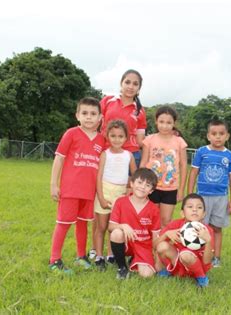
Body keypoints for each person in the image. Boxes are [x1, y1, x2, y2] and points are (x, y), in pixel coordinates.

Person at [89, 69, 147, 260]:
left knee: (121, 206)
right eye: (127, 82)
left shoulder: (140, 111)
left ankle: (115, 250)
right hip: (105, 154)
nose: (131, 86)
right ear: (121, 83)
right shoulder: (107, 101)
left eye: (135, 84)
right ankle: (95, 250)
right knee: (99, 205)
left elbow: (140, 139)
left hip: (129, 156)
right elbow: (96, 126)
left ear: (139, 88)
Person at [49, 97, 105, 273]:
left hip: (89, 191)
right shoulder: (71, 133)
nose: (89, 117)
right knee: (64, 223)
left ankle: (81, 256)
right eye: (85, 113)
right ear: (77, 115)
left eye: (93, 114)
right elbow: (59, 158)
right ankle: (54, 260)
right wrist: (53, 184)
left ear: (100, 117)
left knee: (83, 223)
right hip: (70, 189)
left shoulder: (102, 140)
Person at [187, 120, 231, 268]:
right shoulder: (202, 152)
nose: (218, 137)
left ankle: (216, 257)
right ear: (208, 136)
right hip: (201, 196)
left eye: (221, 134)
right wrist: (190, 195)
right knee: (199, 226)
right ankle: (198, 254)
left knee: (216, 228)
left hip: (221, 198)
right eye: (214, 134)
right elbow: (194, 172)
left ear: (227, 136)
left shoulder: (230, 156)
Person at [93, 120, 137, 271]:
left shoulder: (128, 155)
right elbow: (98, 177)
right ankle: (99, 256)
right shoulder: (105, 154)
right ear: (107, 136)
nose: (116, 139)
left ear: (126, 138)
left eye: (120, 136)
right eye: (113, 136)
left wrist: (129, 189)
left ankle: (111, 254)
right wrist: (101, 197)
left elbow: (134, 175)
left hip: (121, 194)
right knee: (102, 226)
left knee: (114, 228)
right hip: (105, 191)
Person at [140, 106, 188, 228]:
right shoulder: (149, 140)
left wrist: (181, 190)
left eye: (168, 122)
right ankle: (148, 247)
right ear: (156, 121)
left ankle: (161, 247)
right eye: (161, 122)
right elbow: (144, 162)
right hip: (151, 187)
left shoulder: (179, 141)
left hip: (170, 189)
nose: (164, 126)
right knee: (149, 220)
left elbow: (183, 166)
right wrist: (140, 184)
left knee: (166, 221)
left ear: (174, 123)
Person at [108, 168, 161, 279]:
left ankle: (135, 259)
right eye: (140, 182)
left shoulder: (154, 209)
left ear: (151, 190)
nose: (142, 187)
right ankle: (122, 267)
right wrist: (123, 226)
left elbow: (156, 237)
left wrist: (157, 260)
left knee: (147, 275)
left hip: (143, 246)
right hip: (126, 242)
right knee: (116, 233)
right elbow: (111, 227)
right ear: (132, 183)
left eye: (147, 185)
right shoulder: (121, 202)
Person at [154, 193, 214, 288]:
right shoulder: (175, 225)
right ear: (182, 213)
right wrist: (166, 234)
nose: (194, 209)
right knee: (162, 246)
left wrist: (208, 241)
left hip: (195, 264)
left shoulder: (206, 231)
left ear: (203, 214)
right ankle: (170, 271)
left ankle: (201, 277)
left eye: (199, 207)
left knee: (185, 254)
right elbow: (155, 246)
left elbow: (207, 261)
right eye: (190, 207)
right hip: (178, 262)